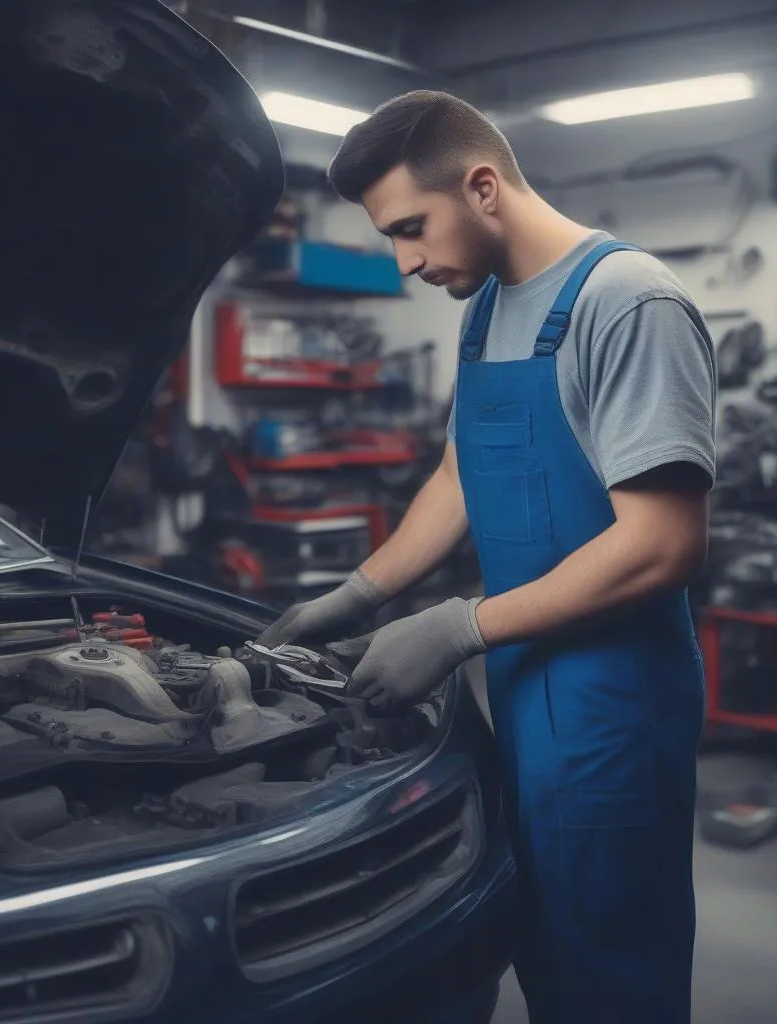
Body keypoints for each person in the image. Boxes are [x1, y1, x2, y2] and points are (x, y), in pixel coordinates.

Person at [258, 91, 716, 1024]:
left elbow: (661, 544)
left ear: (482, 186)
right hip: (519, 679)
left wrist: (454, 624)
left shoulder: (627, 303)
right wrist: (355, 595)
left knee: (611, 961)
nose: (408, 261)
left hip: (611, 704)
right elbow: (457, 480)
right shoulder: (488, 309)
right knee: (539, 936)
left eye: (412, 229)